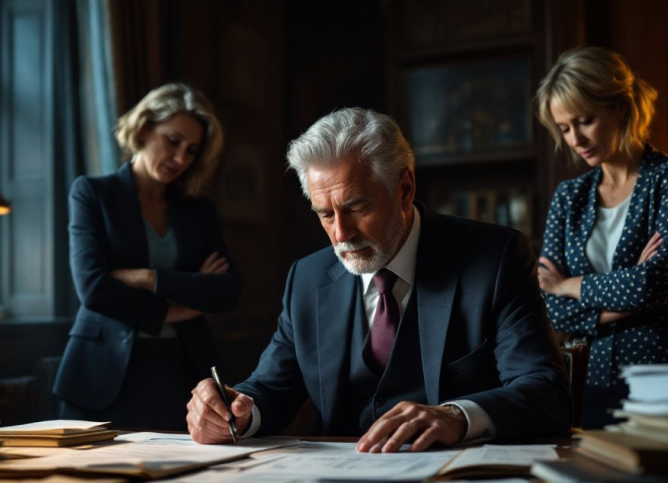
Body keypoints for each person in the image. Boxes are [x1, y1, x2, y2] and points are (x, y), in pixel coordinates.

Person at [186, 107, 570, 452]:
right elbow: (270, 388)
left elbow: (545, 390)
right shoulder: (307, 278)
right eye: (325, 214)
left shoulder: (495, 259)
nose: (341, 233)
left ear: (404, 189)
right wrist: (232, 412)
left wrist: (457, 416)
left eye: (356, 207)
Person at [52, 83, 241, 430]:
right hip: (101, 372)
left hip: (182, 371)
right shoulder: (93, 193)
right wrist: (180, 306)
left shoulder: (198, 211)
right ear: (143, 129)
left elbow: (227, 291)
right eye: (173, 140)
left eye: (191, 150)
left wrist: (146, 277)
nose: (181, 158)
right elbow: (93, 289)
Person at [534, 47, 668, 428]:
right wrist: (632, 291)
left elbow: (654, 283)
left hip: (663, 371)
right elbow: (549, 306)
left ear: (622, 108)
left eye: (585, 120)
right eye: (564, 128)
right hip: (586, 377)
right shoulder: (568, 195)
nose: (575, 138)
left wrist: (569, 284)